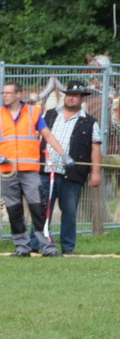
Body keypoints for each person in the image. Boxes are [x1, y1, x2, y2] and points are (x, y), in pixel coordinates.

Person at [0, 82, 60, 257]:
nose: (4, 96)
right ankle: (22, 247)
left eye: (8, 93)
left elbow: (47, 135)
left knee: (38, 208)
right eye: (3, 93)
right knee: (13, 210)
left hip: (29, 169)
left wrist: (63, 155)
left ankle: (48, 247)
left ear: (18, 94)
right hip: (7, 170)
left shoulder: (33, 113)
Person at [44, 83, 101, 255]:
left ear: (82, 98)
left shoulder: (89, 122)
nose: (71, 98)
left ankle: (68, 247)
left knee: (69, 211)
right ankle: (36, 243)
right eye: (68, 94)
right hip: (46, 171)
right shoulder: (49, 115)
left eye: (75, 95)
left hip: (72, 173)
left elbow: (95, 148)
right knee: (41, 210)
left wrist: (96, 172)